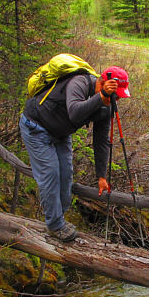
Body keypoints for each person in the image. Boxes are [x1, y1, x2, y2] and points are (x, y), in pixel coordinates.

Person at [20, 65, 131, 242]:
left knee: (66, 176)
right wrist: (101, 97)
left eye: (119, 97)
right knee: (50, 173)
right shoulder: (79, 82)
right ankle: (55, 225)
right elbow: (74, 112)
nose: (116, 99)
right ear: (102, 82)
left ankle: (59, 218)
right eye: (116, 95)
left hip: (61, 133)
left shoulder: (107, 106)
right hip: (36, 127)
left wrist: (101, 176)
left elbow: (101, 141)